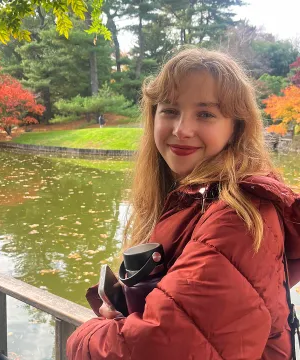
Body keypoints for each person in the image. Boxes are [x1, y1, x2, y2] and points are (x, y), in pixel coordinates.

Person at [66, 48, 300, 359]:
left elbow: (155, 348)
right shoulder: (194, 198)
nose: (181, 130)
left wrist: (84, 336)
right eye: (170, 110)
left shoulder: (237, 216)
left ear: (236, 127)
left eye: (205, 114)